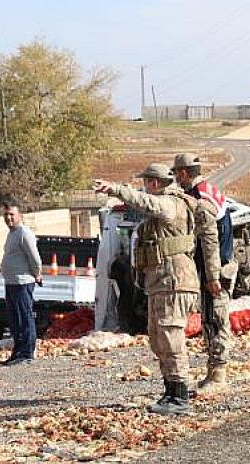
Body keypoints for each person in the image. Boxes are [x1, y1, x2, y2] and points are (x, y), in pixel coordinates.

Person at [94, 163, 221, 415]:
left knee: (171, 337)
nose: (144, 188)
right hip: (162, 282)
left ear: (153, 183)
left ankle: (180, 395)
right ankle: (171, 390)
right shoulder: (172, 203)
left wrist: (116, 190)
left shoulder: (169, 203)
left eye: (146, 183)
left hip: (174, 281)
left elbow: (147, 203)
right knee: (159, 337)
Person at [172, 153, 234, 394]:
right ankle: (213, 373)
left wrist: (212, 277)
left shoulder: (200, 199)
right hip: (220, 265)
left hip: (216, 269)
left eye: (177, 174)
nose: (176, 179)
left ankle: (218, 376)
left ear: (185, 173)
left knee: (216, 320)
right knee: (212, 318)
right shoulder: (210, 189)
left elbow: (210, 240)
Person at [0, 197, 42, 366]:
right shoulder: (12, 234)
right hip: (11, 283)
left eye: (11, 214)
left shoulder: (24, 233)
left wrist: (36, 274)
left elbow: (35, 259)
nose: (9, 218)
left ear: (19, 215)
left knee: (24, 317)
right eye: (6, 215)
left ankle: (27, 353)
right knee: (15, 319)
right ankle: (17, 352)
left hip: (22, 283)